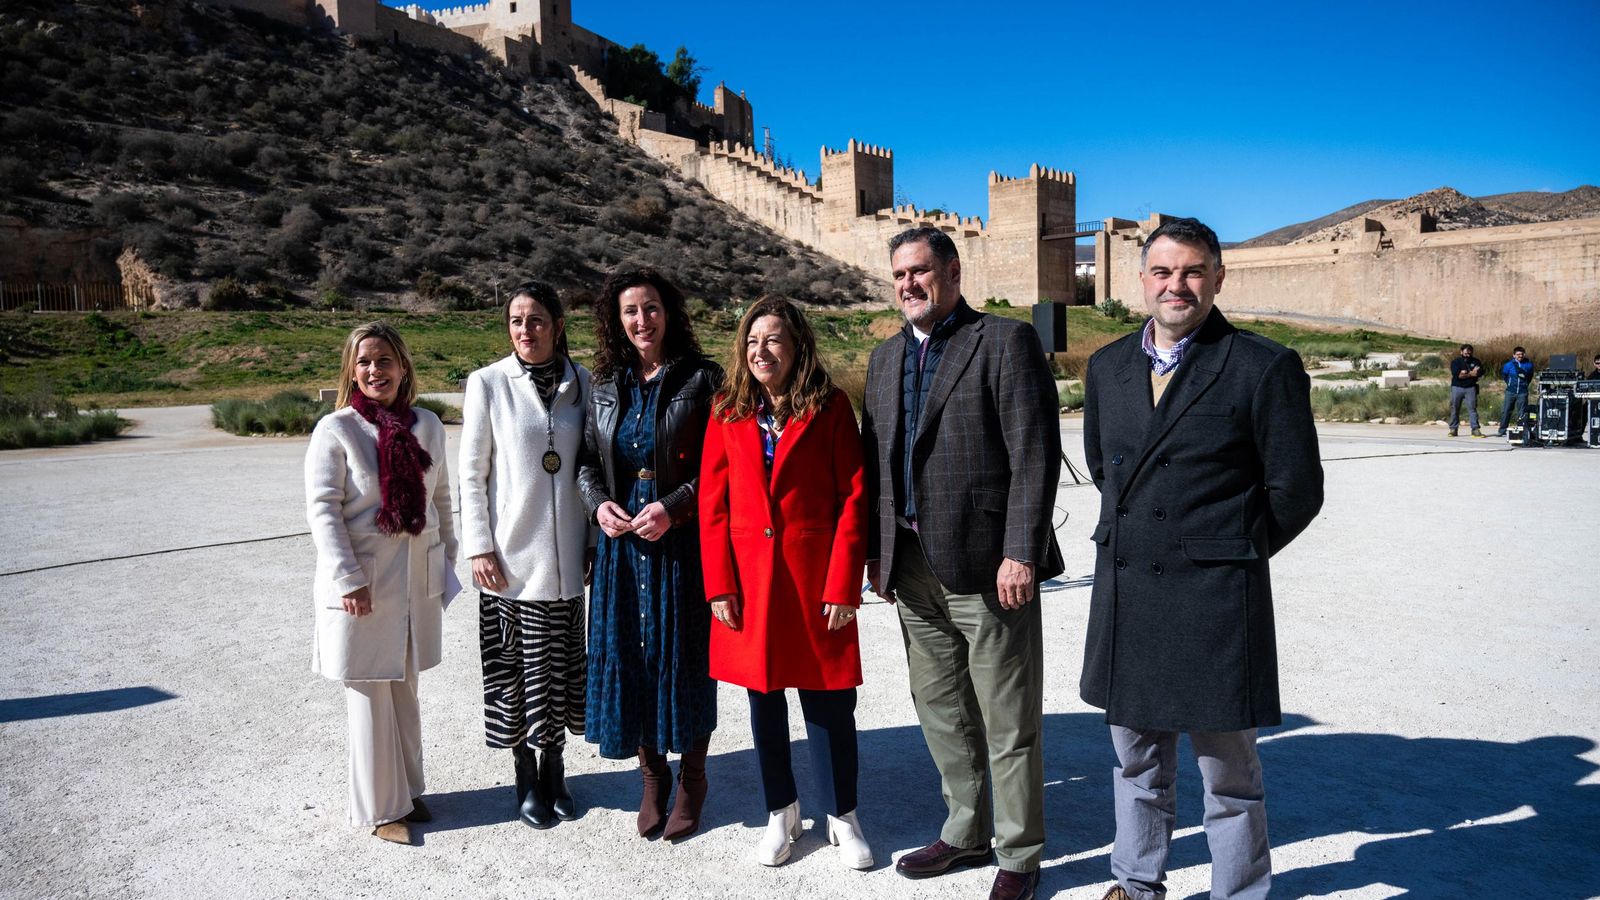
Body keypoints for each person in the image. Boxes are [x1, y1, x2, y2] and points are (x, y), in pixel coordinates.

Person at [1080, 217, 1324, 900]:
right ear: (1142, 281)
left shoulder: (1261, 366)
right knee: (1135, 761)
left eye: (1192, 271)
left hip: (1216, 601)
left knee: (1229, 773)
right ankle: (1134, 882)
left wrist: (1227, 554)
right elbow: (1107, 469)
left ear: (1218, 278)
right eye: (1162, 272)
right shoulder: (1107, 367)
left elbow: (1297, 490)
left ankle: (1240, 892)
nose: (1176, 285)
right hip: (1130, 594)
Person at [859, 226, 1063, 900]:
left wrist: (1020, 551)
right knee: (941, 708)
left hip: (986, 564)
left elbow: (1033, 452)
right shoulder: (886, 359)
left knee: (1006, 715)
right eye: (898, 276)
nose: (908, 285)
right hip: (912, 563)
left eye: (919, 271)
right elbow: (877, 464)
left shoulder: (1003, 341)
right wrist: (874, 552)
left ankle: (1020, 853)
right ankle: (967, 828)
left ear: (951, 272)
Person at [699, 297, 872, 870]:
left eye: (772, 340)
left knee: (829, 703)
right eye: (752, 341)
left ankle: (842, 816)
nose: (760, 351)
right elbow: (713, 506)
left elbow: (853, 497)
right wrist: (719, 585)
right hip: (750, 584)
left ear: (797, 345)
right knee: (764, 704)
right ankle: (782, 813)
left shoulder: (830, 407)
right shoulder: (727, 410)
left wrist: (844, 585)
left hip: (814, 582)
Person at [578, 267, 722, 841]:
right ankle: (651, 778)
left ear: (671, 312)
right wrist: (597, 506)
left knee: (684, 659)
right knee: (631, 658)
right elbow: (588, 462)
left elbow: (721, 467)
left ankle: (692, 777)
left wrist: (675, 505)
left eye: (652, 307)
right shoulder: (606, 386)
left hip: (680, 545)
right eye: (631, 311)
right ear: (618, 320)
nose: (643, 320)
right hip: (621, 549)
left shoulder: (703, 378)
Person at [305, 322, 459, 845]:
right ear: (352, 370)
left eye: (385, 360)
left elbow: (441, 502)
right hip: (363, 586)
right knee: (370, 694)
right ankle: (379, 809)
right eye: (365, 362)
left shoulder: (429, 426)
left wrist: (446, 562)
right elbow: (322, 511)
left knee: (405, 690)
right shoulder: (337, 430)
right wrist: (347, 578)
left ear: (403, 367)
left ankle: (409, 792)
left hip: (416, 582)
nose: (376, 371)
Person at [459, 281, 593, 830]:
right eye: (516, 321)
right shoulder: (488, 383)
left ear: (557, 325)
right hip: (511, 562)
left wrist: (589, 542)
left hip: (566, 562)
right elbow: (472, 472)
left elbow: (589, 465)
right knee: (518, 674)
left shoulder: (581, 382)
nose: (525, 330)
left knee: (560, 673)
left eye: (536, 319)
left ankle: (556, 769)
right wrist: (479, 546)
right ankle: (524, 773)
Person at [1448, 343, 1485, 437]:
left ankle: (1475, 429)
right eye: (1465, 351)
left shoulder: (1476, 361)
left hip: (1471, 388)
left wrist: (1466, 373)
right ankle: (1453, 429)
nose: (1468, 352)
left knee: (1472, 409)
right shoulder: (1456, 362)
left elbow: (1479, 373)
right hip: (1457, 387)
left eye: (1469, 351)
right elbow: (1458, 375)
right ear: (1461, 352)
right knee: (1455, 408)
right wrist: (1471, 373)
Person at [1497, 346, 1534, 437]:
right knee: (1506, 411)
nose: (1520, 356)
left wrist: (1524, 385)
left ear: (1524, 355)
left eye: (1521, 354)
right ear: (1514, 355)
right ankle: (1502, 430)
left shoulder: (1529, 365)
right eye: (1518, 354)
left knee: (1522, 412)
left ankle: (1521, 430)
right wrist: (1510, 384)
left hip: (1522, 392)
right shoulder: (1508, 365)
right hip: (1510, 391)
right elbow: (1505, 376)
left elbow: (1529, 377)